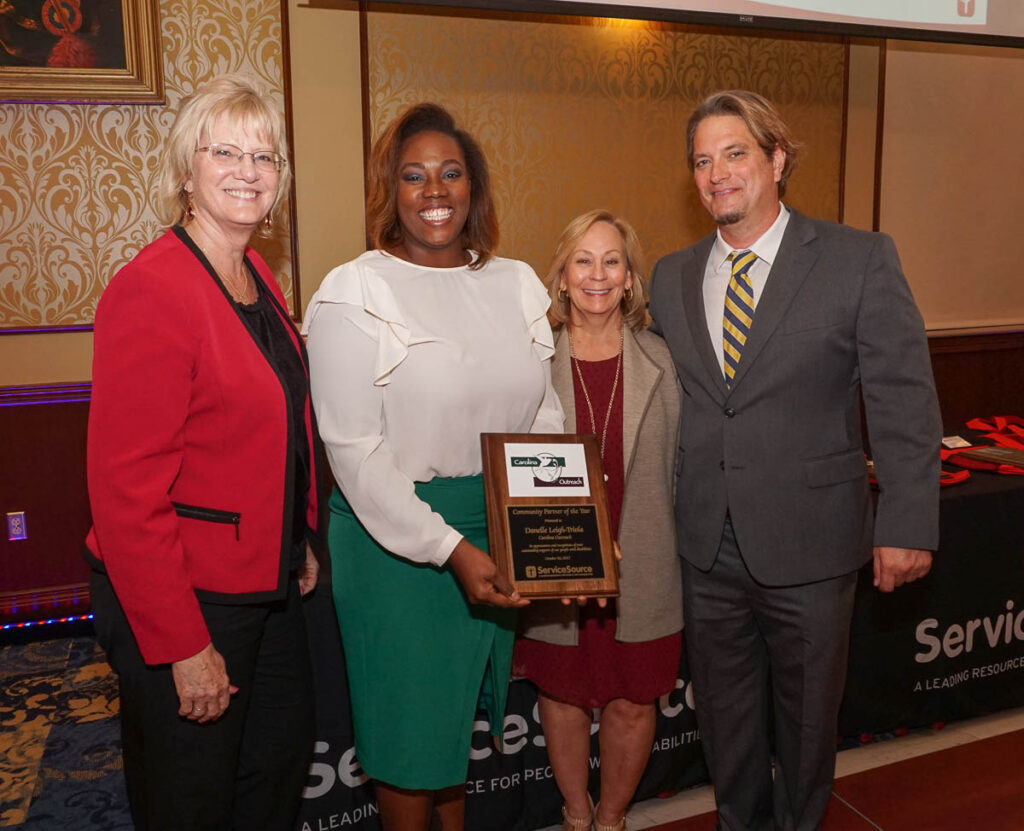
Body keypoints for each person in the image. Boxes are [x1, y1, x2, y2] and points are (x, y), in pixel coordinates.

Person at [648, 90, 941, 831]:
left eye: (735, 153)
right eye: (703, 160)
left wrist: (908, 520)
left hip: (813, 543)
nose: (717, 173)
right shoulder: (670, 276)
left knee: (809, 725)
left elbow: (904, 399)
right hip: (706, 545)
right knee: (726, 723)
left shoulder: (858, 259)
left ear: (777, 158)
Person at [303, 102, 563, 831]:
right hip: (398, 548)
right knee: (410, 746)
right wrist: (450, 548)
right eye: (413, 176)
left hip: (495, 524)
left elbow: (543, 416)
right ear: (390, 190)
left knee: (453, 737)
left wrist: (551, 527)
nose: (434, 190)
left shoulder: (514, 283)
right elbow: (353, 453)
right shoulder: (355, 290)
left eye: (451, 173)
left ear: (474, 188)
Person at [85, 73, 320, 831]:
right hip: (188, 596)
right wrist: (184, 643)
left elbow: (277, 418)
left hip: (267, 583)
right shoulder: (151, 289)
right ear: (187, 169)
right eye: (227, 151)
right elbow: (126, 494)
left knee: (273, 775)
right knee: (191, 799)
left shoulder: (256, 276)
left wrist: (300, 533)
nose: (249, 170)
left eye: (265, 156)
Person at [515, 210, 683, 831]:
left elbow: (682, 472)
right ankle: (576, 814)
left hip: (647, 563)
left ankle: (611, 819)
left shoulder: (666, 363)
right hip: (557, 561)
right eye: (582, 260)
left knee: (636, 703)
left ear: (631, 277)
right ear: (561, 277)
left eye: (612, 261)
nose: (597, 274)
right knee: (560, 696)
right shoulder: (528, 364)